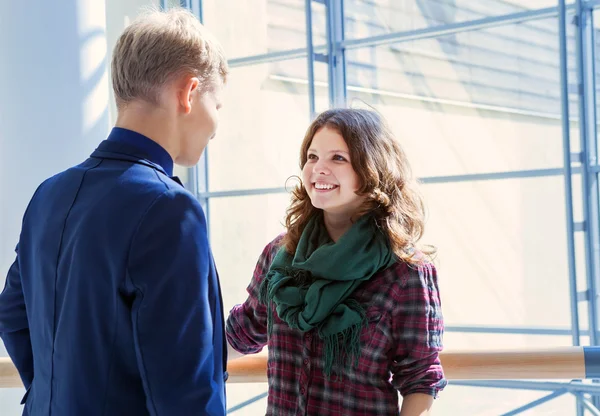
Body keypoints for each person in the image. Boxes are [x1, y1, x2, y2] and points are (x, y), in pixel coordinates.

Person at [0, 7, 228, 416]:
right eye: (219, 104)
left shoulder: (48, 194)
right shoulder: (170, 210)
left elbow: (12, 313)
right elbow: (185, 392)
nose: (216, 125)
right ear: (189, 92)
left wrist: (60, 393)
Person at [226, 108, 447, 415]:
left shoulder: (406, 271)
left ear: (372, 169)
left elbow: (420, 378)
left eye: (338, 158)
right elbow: (245, 329)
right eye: (312, 156)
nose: (319, 169)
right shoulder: (279, 254)